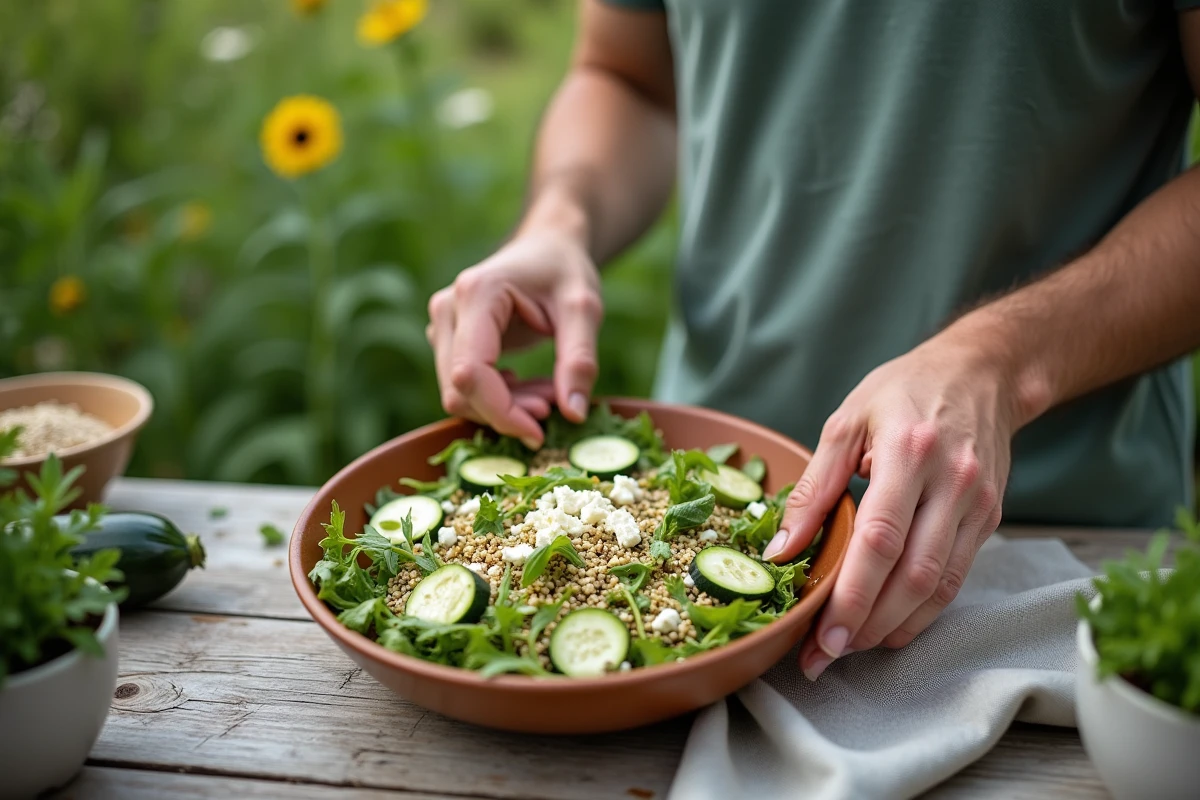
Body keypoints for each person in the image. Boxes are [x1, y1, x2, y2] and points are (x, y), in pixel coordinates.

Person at [425, 0, 1200, 681]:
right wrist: (560, 220)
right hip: (682, 529)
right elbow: (626, 76)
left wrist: (1000, 361)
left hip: (1060, 562)